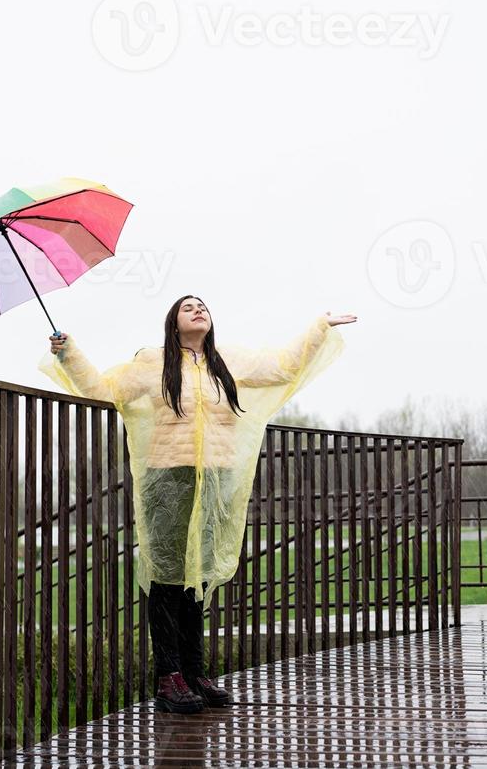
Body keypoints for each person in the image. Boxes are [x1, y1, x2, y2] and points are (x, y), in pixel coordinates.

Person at [40, 296, 355, 714]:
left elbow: (283, 366)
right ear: (173, 322)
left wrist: (321, 326)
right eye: (188, 307)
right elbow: (104, 390)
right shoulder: (154, 364)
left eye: (203, 305)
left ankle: (194, 672)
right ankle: (169, 677)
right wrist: (69, 353)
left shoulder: (227, 363)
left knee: (198, 578)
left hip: (216, 479)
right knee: (168, 578)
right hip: (169, 478)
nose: (198, 309)